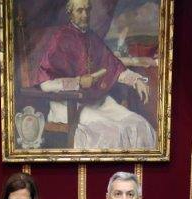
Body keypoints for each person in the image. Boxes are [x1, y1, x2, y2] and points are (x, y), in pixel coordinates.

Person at [33, 0, 155, 149]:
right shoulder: (60, 39)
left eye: (87, 10)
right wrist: (78, 82)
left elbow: (114, 67)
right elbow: (45, 84)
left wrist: (136, 80)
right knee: (112, 132)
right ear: (70, 13)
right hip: (68, 105)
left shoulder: (92, 37)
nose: (85, 15)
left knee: (140, 125)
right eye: (79, 11)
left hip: (98, 101)